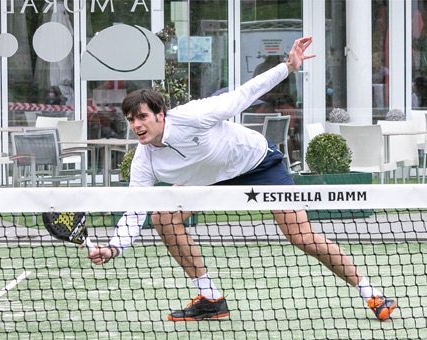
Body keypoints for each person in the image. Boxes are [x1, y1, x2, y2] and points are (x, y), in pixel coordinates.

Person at [86, 37, 397, 322]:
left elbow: (245, 94)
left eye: (142, 117)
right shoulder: (144, 159)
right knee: (163, 218)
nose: (136, 125)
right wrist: (114, 248)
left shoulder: (195, 115)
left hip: (258, 165)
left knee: (301, 236)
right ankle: (210, 299)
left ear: (160, 115)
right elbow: (135, 208)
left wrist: (288, 66)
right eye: (131, 120)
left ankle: (371, 294)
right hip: (209, 179)